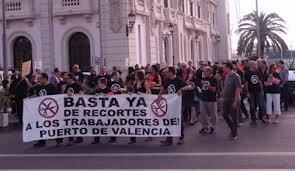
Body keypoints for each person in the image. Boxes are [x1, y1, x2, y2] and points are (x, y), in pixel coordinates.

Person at [158, 67, 191, 146]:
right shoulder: (168, 81)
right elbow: (163, 88)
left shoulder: (178, 80)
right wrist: (160, 95)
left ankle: (181, 138)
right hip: (170, 104)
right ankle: (169, 139)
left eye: (167, 72)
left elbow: (189, 86)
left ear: (171, 72)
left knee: (179, 120)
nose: (166, 73)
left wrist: (182, 89)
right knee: (169, 121)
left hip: (178, 103)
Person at [57, 73, 84, 146]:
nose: (65, 80)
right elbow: (64, 96)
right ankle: (71, 139)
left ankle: (79, 137)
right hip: (68, 107)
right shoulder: (66, 86)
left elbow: (82, 94)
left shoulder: (77, 85)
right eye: (64, 78)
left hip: (76, 107)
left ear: (71, 79)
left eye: (66, 78)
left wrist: (73, 95)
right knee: (69, 123)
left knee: (75, 123)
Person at [33, 73, 57, 147]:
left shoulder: (52, 87)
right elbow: (37, 95)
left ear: (45, 79)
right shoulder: (39, 87)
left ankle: (58, 140)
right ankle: (41, 141)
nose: (38, 80)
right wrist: (28, 99)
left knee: (53, 125)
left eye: (40, 78)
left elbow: (56, 98)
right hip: (42, 110)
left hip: (50, 110)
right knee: (41, 125)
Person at [129, 70, 151, 144]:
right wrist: (131, 93)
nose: (135, 76)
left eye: (136, 75)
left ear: (139, 75)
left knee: (144, 120)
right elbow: (133, 91)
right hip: (136, 103)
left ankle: (149, 134)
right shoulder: (135, 82)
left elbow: (149, 92)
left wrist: (142, 94)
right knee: (134, 120)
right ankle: (132, 138)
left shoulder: (144, 82)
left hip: (143, 103)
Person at [222, 62, 242, 140]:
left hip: (233, 99)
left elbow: (238, 89)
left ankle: (235, 133)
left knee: (234, 117)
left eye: (224, 67)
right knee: (224, 114)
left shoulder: (236, 76)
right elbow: (225, 86)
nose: (223, 69)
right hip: (226, 99)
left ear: (228, 68)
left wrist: (235, 101)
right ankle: (232, 129)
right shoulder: (227, 76)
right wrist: (222, 94)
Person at [91, 78, 112, 144]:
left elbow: (113, 99)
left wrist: (108, 96)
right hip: (99, 110)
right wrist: (94, 96)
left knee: (109, 124)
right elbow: (89, 97)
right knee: (98, 124)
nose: (98, 84)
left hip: (107, 110)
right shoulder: (97, 90)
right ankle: (96, 139)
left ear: (103, 83)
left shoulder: (108, 90)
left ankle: (112, 137)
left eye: (99, 82)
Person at [245, 61, 265, 125]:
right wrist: (247, 92)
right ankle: (253, 120)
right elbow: (246, 83)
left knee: (261, 105)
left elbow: (260, 82)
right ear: (252, 65)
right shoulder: (247, 73)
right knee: (252, 106)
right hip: (251, 92)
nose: (257, 66)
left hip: (258, 91)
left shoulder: (258, 72)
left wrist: (262, 90)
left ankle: (262, 117)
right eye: (256, 65)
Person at [199, 67, 218, 135]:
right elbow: (202, 88)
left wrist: (206, 84)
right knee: (203, 114)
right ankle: (205, 127)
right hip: (203, 99)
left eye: (205, 71)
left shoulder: (214, 79)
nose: (203, 73)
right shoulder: (203, 79)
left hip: (211, 99)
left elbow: (214, 90)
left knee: (213, 114)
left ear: (209, 72)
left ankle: (213, 126)